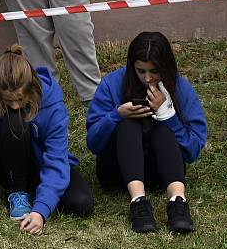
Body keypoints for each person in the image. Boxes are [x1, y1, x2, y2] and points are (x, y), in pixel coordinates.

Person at [87, 32, 207, 233]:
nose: (148, 78)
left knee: (162, 128)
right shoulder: (112, 83)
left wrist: (168, 115)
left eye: (154, 71)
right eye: (141, 71)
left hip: (161, 172)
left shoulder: (181, 87)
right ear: (131, 67)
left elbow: (192, 151)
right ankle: (138, 202)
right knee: (128, 124)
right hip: (117, 171)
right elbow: (94, 143)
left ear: (166, 68)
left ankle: (178, 203)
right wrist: (116, 115)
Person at [0, 45, 94, 234]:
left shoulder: (53, 107)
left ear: (32, 87)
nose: (14, 105)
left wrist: (40, 211)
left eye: (19, 99)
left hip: (42, 165)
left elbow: (56, 159)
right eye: (7, 101)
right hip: (7, 167)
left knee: (81, 204)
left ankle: (39, 194)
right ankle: (17, 191)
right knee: (13, 120)